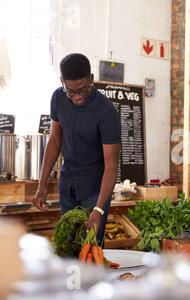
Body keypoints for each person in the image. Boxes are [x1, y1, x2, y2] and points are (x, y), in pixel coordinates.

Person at [34, 53, 121, 245]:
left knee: (90, 249)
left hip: (94, 191)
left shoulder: (107, 112)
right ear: (62, 82)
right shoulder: (57, 98)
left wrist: (99, 209)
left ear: (91, 79)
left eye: (83, 89)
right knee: (68, 246)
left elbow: (111, 166)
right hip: (68, 186)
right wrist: (42, 183)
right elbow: (55, 140)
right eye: (71, 91)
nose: (77, 96)